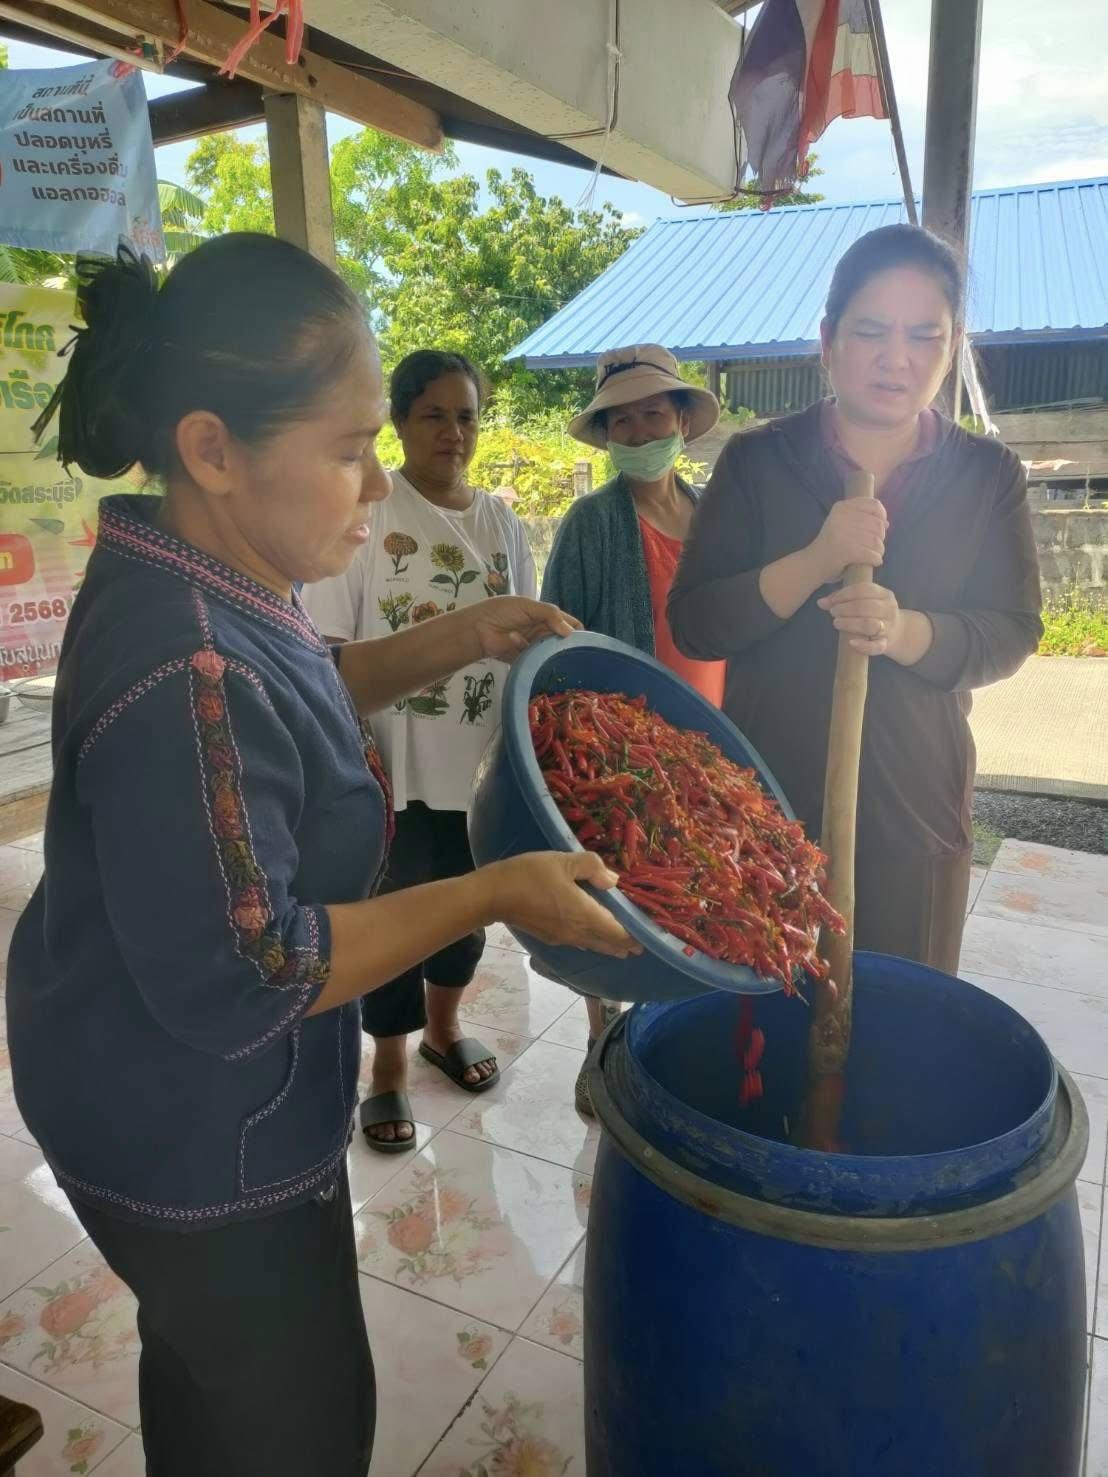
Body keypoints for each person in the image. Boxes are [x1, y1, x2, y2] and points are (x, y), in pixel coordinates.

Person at [6, 235, 636, 1477]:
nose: (373, 482)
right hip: (188, 1127)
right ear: (212, 449)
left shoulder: (203, 573)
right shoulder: (186, 659)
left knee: (210, 1374)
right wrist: (498, 888)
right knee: (294, 1423)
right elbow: (256, 968)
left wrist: (459, 632)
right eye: (351, 451)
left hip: (126, 1071)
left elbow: (306, 692)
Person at [669, 223, 1042, 974]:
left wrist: (906, 630)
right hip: (766, 801)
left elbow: (1012, 629)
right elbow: (696, 621)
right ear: (828, 338)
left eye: (923, 335)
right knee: (763, 1013)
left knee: (900, 1014)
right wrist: (814, 560)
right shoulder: (759, 461)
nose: (896, 358)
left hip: (915, 807)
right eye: (871, 331)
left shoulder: (987, 475)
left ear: (954, 342)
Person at [302, 350, 537, 1152]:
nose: (454, 432)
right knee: (398, 921)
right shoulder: (372, 511)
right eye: (433, 414)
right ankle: (390, 1072)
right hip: (391, 770)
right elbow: (328, 643)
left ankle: (445, 1031)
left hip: (477, 767)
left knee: (467, 916)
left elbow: (527, 644)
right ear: (400, 422)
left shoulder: (502, 521)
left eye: (467, 415)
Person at [540, 344, 725, 1113]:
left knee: (692, 889)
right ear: (607, 433)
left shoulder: (716, 521)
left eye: (655, 411)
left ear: (682, 419)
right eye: (625, 417)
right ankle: (601, 1039)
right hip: (622, 746)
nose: (641, 427)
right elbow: (557, 641)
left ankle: (669, 1038)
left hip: (712, 736)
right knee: (618, 888)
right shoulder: (590, 523)